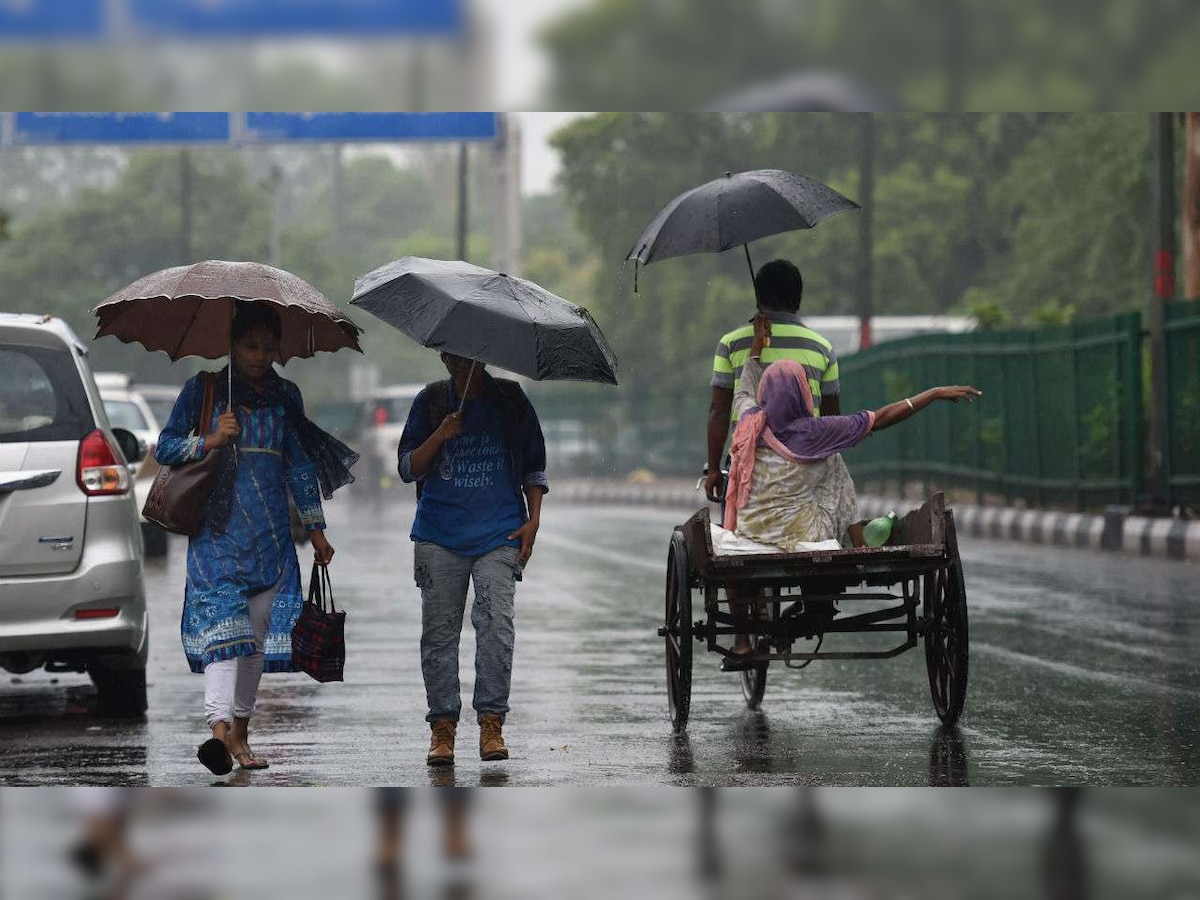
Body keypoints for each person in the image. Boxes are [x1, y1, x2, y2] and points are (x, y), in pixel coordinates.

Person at [155, 301, 357, 775]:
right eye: (251, 345)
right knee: (226, 636)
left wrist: (317, 529)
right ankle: (219, 731)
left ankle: (239, 734)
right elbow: (164, 446)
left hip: (271, 538)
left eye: (269, 346)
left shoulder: (286, 396)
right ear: (232, 345)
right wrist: (206, 440)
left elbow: (300, 466)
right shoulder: (202, 390)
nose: (260, 354)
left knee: (255, 642)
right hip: (217, 538)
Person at [722, 315, 980, 655]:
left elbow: (743, 385)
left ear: (765, 396)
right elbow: (882, 418)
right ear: (803, 395)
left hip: (752, 530)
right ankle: (858, 542)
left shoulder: (749, 420)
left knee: (829, 461)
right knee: (834, 461)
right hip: (806, 535)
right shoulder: (819, 432)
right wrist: (931, 394)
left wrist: (757, 346)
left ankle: (757, 632)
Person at [397, 352, 548, 767]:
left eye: (469, 356)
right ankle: (442, 729)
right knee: (439, 635)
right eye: (451, 355)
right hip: (438, 536)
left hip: (499, 534)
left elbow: (535, 466)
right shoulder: (430, 402)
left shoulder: (512, 400)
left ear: (484, 354)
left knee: (497, 626)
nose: (459, 363)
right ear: (443, 356)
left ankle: (491, 724)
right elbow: (408, 467)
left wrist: (533, 522)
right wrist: (440, 434)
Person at [705, 259, 841, 504]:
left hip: (746, 466)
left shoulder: (731, 344)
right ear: (798, 298)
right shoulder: (822, 348)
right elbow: (831, 419)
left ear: (758, 297)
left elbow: (719, 411)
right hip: (805, 464)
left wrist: (714, 470)